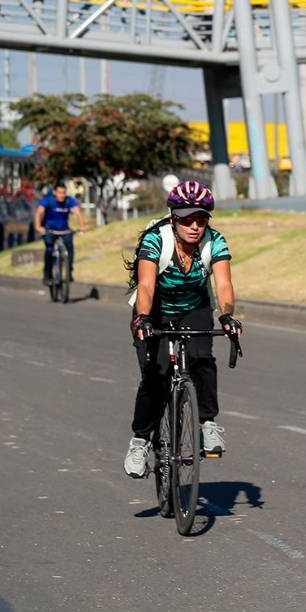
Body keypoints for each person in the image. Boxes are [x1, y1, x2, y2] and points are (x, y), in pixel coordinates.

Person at [123, 181, 242, 478]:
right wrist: (143, 318)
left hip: (194, 307)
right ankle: (140, 441)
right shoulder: (156, 240)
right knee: (155, 376)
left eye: (201, 219)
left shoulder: (214, 242)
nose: (194, 226)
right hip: (155, 310)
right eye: (187, 219)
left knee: (202, 358)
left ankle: (208, 423)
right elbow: (147, 286)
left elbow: (224, 286)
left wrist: (227, 316)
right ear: (173, 217)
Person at [35, 182, 86, 286]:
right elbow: (39, 212)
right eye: (59, 192)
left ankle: (69, 270)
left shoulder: (69, 200)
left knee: (70, 247)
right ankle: (47, 275)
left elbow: (78, 213)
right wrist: (38, 227)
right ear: (55, 192)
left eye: (64, 193)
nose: (62, 195)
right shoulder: (48, 200)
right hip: (50, 230)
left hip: (64, 230)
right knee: (49, 250)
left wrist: (81, 227)